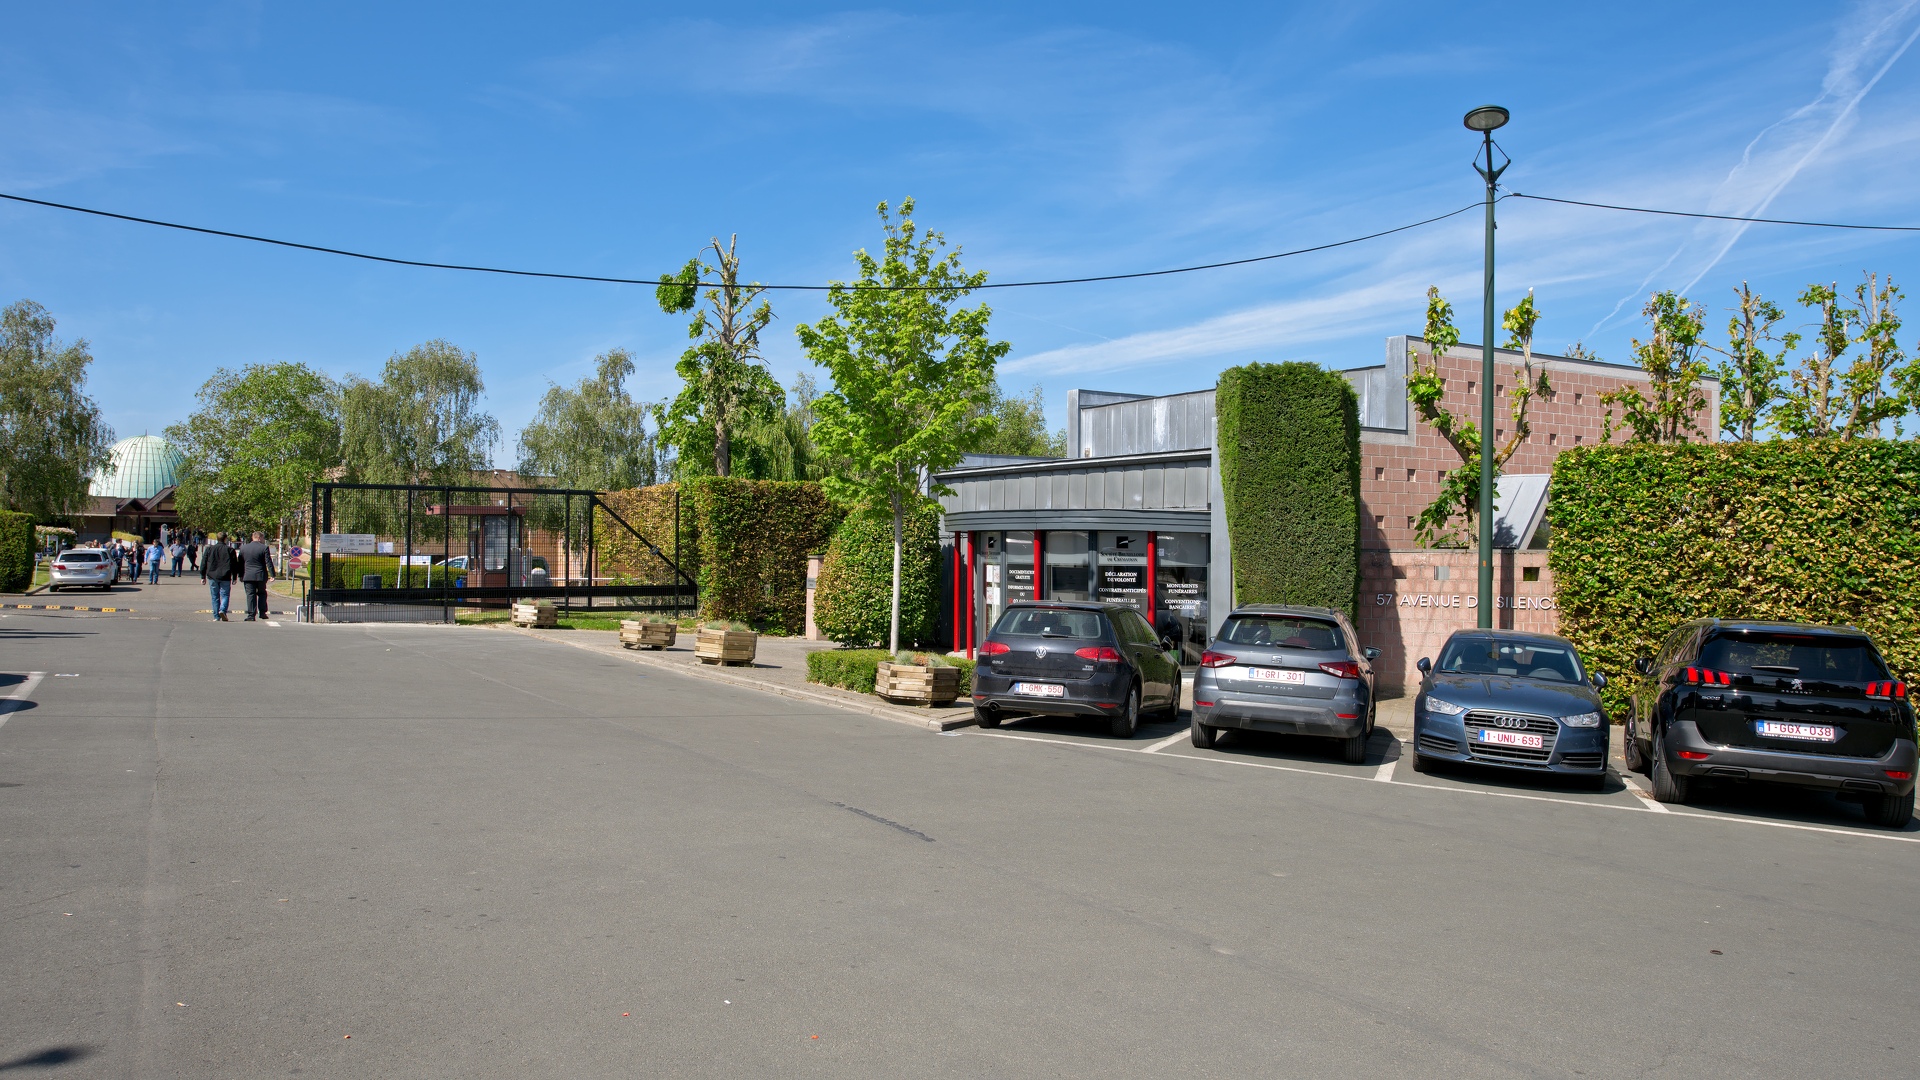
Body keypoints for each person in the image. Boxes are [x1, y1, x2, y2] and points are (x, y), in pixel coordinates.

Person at [238, 531, 275, 622]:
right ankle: (262, 613)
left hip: (248, 575)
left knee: (250, 595)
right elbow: (268, 562)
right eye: (263, 538)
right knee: (262, 593)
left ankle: (251, 614)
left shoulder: (243, 548)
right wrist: (272, 574)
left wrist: (240, 575)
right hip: (260, 575)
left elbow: (240, 563)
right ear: (259, 538)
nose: (263, 540)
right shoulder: (264, 548)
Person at [200, 532, 237, 621]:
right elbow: (234, 564)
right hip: (225, 575)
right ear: (225, 539)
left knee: (215, 596)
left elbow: (204, 562)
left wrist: (202, 576)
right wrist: (235, 576)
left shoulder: (209, 549)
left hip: (212, 575)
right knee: (225, 595)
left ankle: (216, 616)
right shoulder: (230, 550)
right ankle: (223, 610)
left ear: (217, 539)